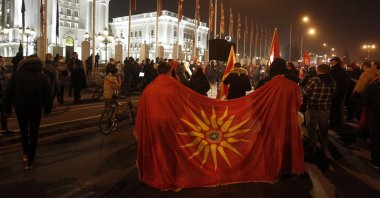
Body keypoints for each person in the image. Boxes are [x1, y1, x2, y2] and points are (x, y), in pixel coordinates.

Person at [4, 55, 52, 170]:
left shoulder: (16, 75)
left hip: (20, 108)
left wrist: (7, 109)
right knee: (34, 133)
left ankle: (25, 154)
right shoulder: (43, 77)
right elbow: (48, 96)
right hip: (36, 109)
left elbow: (8, 93)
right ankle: (30, 161)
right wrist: (47, 109)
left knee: (23, 131)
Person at [303, 64, 336, 159]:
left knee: (312, 130)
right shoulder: (332, 81)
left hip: (313, 108)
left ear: (318, 70)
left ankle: (312, 150)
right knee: (324, 130)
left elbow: (305, 93)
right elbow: (333, 94)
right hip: (325, 108)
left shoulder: (314, 80)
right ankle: (325, 149)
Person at [362, 79, 380, 169]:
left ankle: (376, 161)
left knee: (376, 137)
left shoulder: (373, 86)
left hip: (377, 114)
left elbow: (365, 100)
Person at [329, 57, 348, 129]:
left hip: (334, 92)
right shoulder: (343, 70)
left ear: (335, 61)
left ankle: (333, 123)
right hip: (341, 92)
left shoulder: (333, 70)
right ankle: (338, 123)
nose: (330, 62)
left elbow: (331, 82)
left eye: (331, 60)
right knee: (338, 108)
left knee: (333, 108)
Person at [0, 56, 15, 135]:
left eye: (3, 61)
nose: (2, 62)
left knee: (4, 113)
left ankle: (4, 129)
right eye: (1, 61)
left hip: (3, 96)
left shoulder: (3, 71)